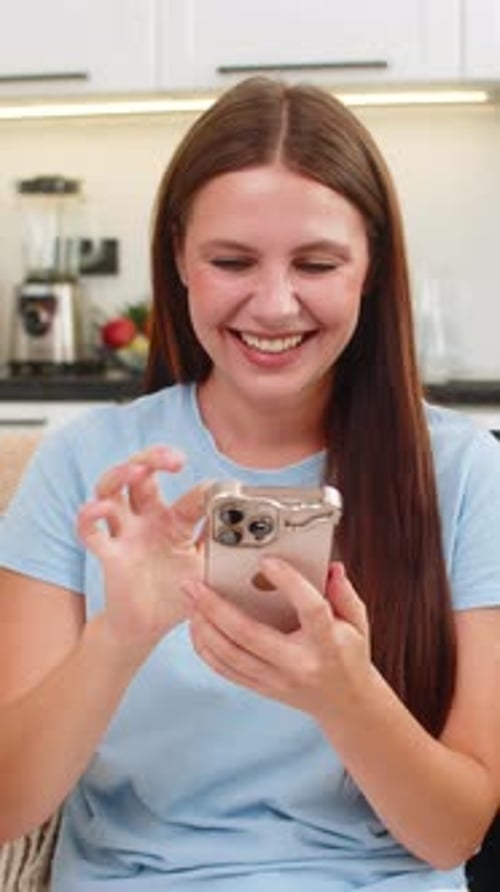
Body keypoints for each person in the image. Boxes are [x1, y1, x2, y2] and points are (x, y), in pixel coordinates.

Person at [0, 76, 498, 892]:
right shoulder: (84, 464)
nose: (274, 304)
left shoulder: (465, 470)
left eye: (317, 263)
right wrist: (120, 635)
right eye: (232, 261)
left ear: (370, 267)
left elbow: (453, 835)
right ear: (179, 261)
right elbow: (9, 807)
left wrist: (345, 695)